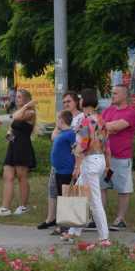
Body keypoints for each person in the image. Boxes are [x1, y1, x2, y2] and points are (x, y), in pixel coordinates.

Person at [62, 88, 110, 244]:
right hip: (100, 159)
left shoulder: (85, 121)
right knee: (78, 192)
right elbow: (106, 143)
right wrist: (108, 164)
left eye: (81, 98)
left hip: (90, 161)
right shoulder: (101, 119)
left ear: (85, 101)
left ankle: (104, 237)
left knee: (94, 200)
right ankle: (73, 232)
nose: (80, 101)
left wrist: (76, 159)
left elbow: (82, 145)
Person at [37, 91, 84, 230]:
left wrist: (77, 165)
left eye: (68, 101)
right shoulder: (63, 122)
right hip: (59, 165)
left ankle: (71, 223)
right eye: (64, 102)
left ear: (76, 102)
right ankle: (53, 218)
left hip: (69, 165)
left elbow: (78, 143)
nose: (66, 104)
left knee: (70, 192)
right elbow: (54, 137)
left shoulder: (80, 118)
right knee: (55, 190)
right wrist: (59, 123)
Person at [0, 89, 36, 217]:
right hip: (13, 146)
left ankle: (23, 206)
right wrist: (9, 136)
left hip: (23, 146)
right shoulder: (17, 112)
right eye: (16, 97)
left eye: (20, 97)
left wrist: (27, 105)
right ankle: (5, 208)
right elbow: (10, 129)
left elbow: (16, 117)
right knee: (8, 176)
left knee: (22, 177)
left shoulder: (30, 112)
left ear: (27, 100)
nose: (17, 99)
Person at [101, 84, 135, 231]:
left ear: (124, 95)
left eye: (115, 93)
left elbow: (115, 127)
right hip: (105, 158)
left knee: (122, 188)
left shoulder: (130, 112)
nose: (112, 95)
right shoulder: (108, 110)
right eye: (112, 93)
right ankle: (100, 217)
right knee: (102, 185)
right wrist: (106, 126)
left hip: (121, 158)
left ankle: (120, 219)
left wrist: (106, 127)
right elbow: (99, 126)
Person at [51, 110, 76, 196]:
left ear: (61, 120)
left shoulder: (71, 134)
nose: (56, 121)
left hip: (66, 171)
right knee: (60, 195)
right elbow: (53, 138)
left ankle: (66, 209)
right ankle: (62, 209)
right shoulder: (61, 133)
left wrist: (76, 167)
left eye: (57, 119)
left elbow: (76, 150)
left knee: (65, 196)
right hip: (59, 171)